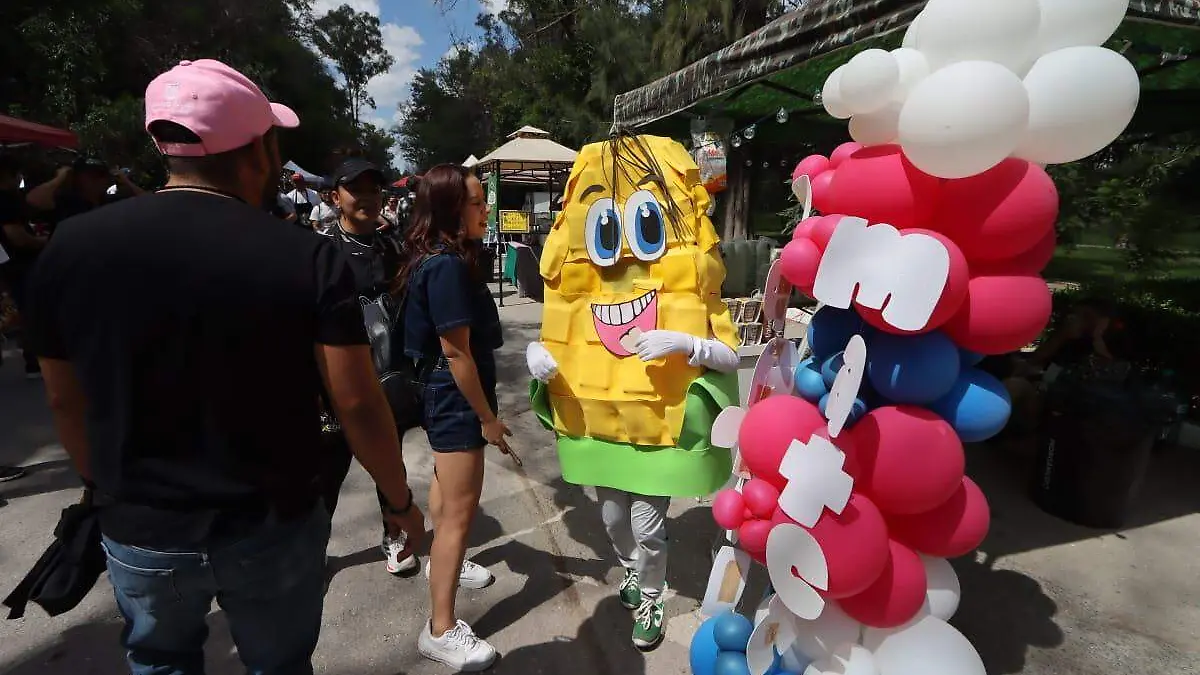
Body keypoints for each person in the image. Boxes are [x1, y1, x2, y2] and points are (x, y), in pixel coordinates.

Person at [24, 58, 425, 675]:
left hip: (141, 524)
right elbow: (356, 402)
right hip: (271, 520)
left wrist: (106, 485)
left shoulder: (68, 251)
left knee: (160, 662)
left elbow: (64, 399)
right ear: (260, 148)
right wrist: (398, 500)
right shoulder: (307, 257)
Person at [525, 135, 740, 650]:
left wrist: (686, 342)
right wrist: (541, 365)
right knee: (613, 518)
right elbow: (565, 333)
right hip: (601, 431)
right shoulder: (583, 286)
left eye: (644, 225)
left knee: (646, 525)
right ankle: (629, 570)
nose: (622, 250)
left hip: (659, 433)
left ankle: (651, 594)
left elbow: (731, 356)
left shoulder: (690, 285)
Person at [396, 163, 510, 671]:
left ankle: (447, 565)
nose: (486, 209)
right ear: (450, 208)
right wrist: (487, 417)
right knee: (460, 515)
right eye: (477, 201)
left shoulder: (439, 256)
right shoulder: (443, 266)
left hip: (444, 394)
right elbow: (457, 353)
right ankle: (440, 628)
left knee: (447, 496)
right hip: (455, 396)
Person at [317, 158, 415, 574]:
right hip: (337, 383)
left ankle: (393, 535)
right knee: (327, 470)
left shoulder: (392, 247)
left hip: (387, 373)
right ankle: (312, 551)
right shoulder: (321, 251)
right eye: (357, 190)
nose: (368, 198)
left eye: (375, 190)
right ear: (335, 197)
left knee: (388, 459)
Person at [0, 153, 47, 380]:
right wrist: (42, 241)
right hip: (17, 262)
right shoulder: (6, 199)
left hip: (7, 262)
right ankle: (34, 361)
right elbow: (15, 235)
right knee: (29, 311)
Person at [25, 156, 144, 224]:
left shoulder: (111, 201)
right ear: (76, 178)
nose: (97, 180)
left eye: (101, 174)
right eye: (90, 176)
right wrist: (60, 178)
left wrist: (126, 182)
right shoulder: (66, 202)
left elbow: (148, 201)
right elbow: (33, 199)